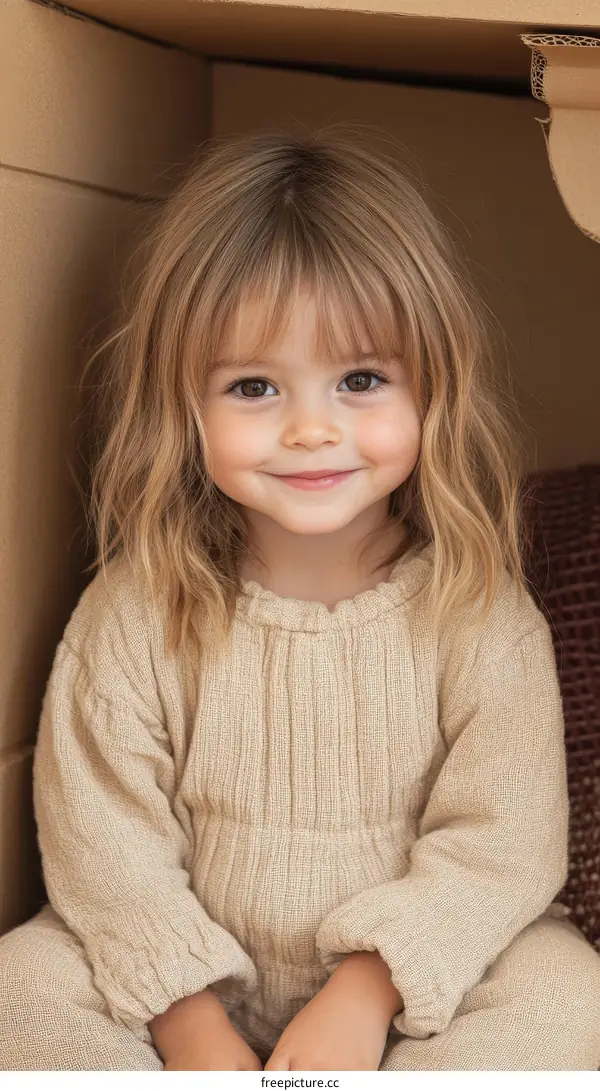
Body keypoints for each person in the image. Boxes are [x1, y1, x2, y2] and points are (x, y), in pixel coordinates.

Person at [1, 127, 599, 1073]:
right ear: (181, 407)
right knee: (21, 984)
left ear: (433, 386)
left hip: (413, 994)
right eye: (253, 386)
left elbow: (503, 843)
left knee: (569, 995)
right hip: (177, 988)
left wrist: (368, 993)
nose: (312, 428)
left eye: (360, 379)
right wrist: (193, 1028)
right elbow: (103, 846)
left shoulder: (479, 612)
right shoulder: (136, 610)